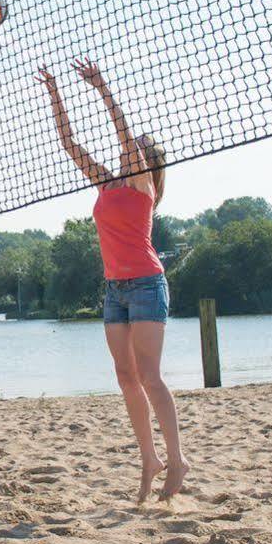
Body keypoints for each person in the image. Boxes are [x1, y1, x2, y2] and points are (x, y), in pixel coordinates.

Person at [37, 56, 189, 504]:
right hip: (114, 289)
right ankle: (149, 459)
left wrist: (102, 88)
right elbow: (69, 142)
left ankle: (177, 457)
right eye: (127, 150)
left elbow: (123, 135)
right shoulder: (106, 185)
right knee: (126, 378)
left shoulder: (144, 188)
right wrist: (56, 93)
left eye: (134, 150)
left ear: (145, 162)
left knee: (150, 376)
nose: (125, 152)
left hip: (146, 284)